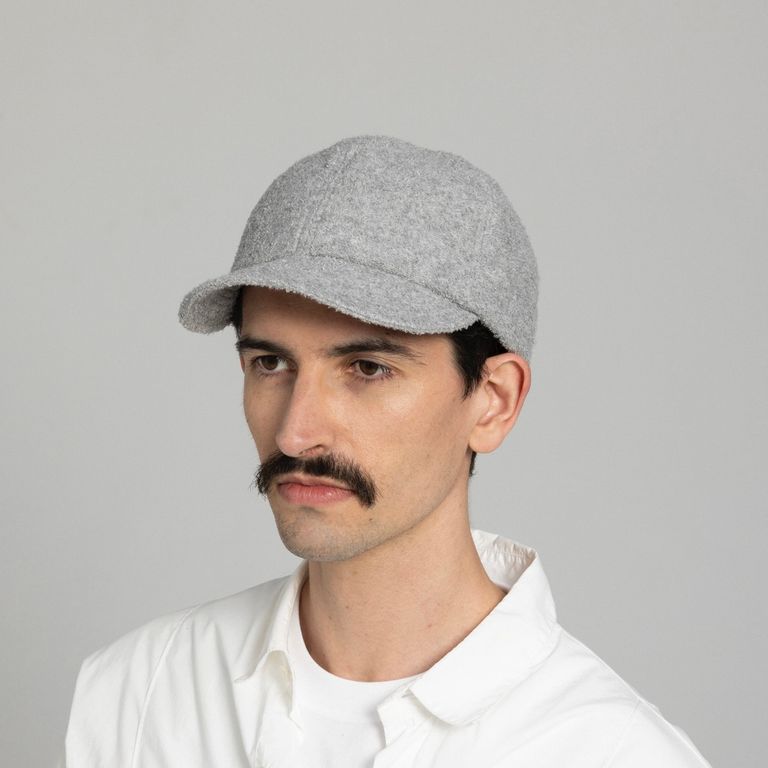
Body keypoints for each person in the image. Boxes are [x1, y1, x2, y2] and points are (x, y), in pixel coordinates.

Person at [62, 136, 711, 767]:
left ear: (493, 401)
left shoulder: (609, 752)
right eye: (270, 363)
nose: (294, 435)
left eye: (367, 368)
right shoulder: (138, 696)